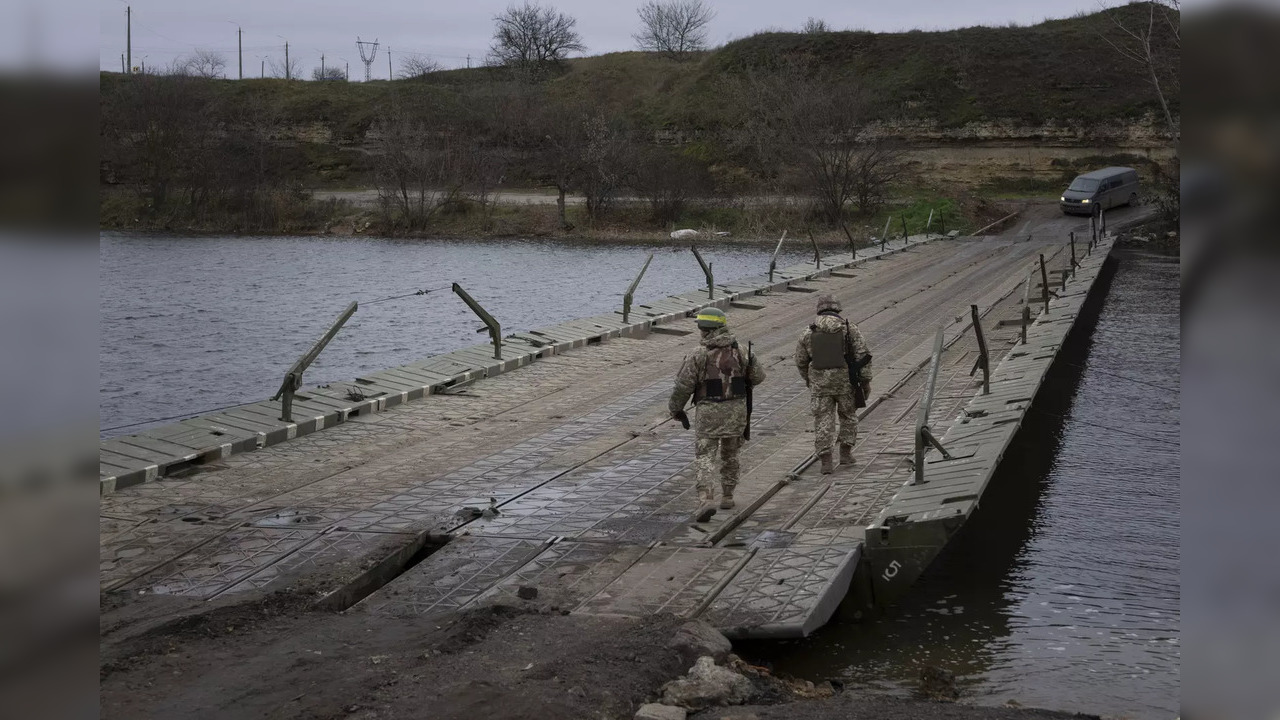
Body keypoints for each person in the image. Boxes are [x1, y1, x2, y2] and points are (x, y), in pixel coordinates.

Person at [669, 306, 766, 523]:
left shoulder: (698, 354)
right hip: (736, 412)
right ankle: (728, 495)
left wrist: (675, 409)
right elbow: (759, 376)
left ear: (703, 329)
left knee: (705, 457)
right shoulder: (741, 350)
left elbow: (683, 386)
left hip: (708, 414)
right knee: (730, 455)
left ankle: (706, 498)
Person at [794, 294, 872, 474]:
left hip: (820, 386)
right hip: (846, 383)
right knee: (848, 417)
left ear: (819, 310)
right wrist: (865, 381)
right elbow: (863, 355)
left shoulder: (808, 332)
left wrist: (809, 379)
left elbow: (800, 361)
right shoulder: (849, 329)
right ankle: (845, 454)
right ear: (838, 309)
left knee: (823, 420)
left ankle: (826, 461)